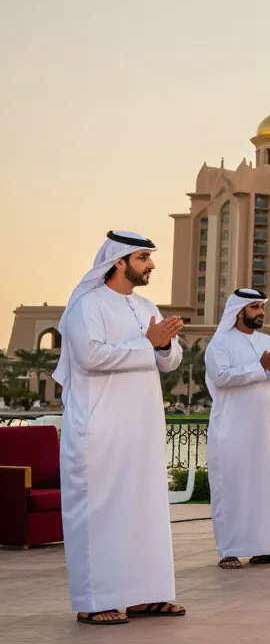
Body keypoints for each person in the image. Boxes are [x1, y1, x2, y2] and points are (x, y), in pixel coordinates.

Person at [54, 231, 186, 625]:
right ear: (120, 261)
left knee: (143, 509)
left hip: (141, 427)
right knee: (101, 511)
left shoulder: (146, 304)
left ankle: (146, 595)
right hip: (101, 426)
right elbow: (91, 355)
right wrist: (148, 344)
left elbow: (170, 360)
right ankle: (96, 600)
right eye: (144, 258)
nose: (151, 265)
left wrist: (162, 347)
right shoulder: (86, 305)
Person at [205, 289, 270, 570]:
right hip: (232, 429)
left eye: (261, 307)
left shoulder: (269, 341)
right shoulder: (220, 343)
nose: (260, 312)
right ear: (239, 311)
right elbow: (221, 378)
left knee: (265, 487)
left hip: (265, 429)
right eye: (255, 307)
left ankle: (265, 549)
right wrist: (259, 368)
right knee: (232, 487)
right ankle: (229, 550)